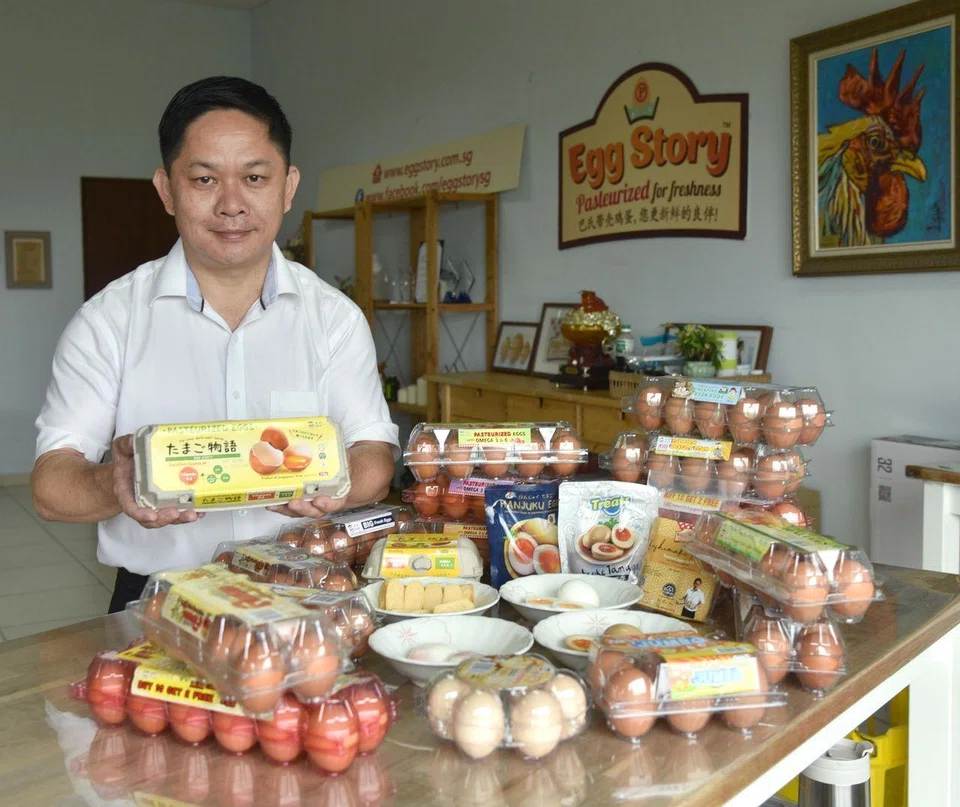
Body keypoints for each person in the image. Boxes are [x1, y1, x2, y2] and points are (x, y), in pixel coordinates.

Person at [30, 77, 399, 613]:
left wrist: (340, 483)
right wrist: (120, 484)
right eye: (204, 179)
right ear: (166, 189)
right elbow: (49, 487)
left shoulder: (334, 318)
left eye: (254, 177)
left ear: (288, 186)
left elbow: (374, 456)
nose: (232, 205)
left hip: (306, 594)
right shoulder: (109, 320)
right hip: (157, 600)